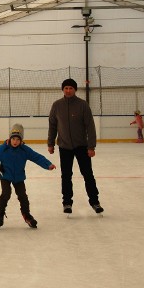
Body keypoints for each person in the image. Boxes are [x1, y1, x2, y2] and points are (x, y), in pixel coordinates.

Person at [0, 124, 56, 229]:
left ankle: (27, 216)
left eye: (18, 139)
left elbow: (37, 157)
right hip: (5, 175)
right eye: (13, 138)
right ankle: (0, 214)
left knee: (23, 196)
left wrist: (48, 164)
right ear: (10, 138)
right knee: (6, 193)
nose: (15, 141)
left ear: (21, 140)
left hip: (19, 177)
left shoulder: (25, 150)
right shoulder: (3, 149)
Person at [47, 79, 103, 215]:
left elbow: (90, 127)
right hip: (64, 146)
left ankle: (95, 202)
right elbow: (52, 125)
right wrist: (50, 143)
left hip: (81, 146)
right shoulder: (57, 105)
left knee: (88, 174)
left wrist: (91, 146)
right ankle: (67, 203)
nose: (68, 90)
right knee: (66, 175)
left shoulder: (82, 105)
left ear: (75, 89)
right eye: (66, 88)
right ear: (63, 89)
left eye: (71, 88)